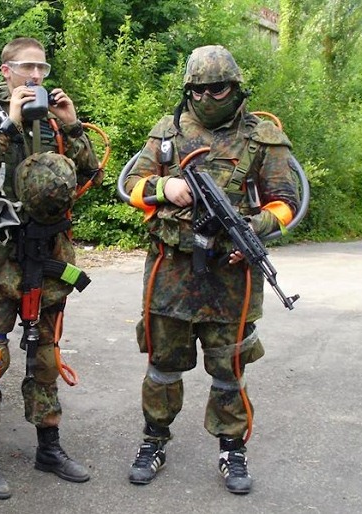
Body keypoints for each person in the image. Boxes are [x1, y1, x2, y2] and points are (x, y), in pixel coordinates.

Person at [123, 45, 299, 494]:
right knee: (162, 365)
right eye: (197, 90)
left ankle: (232, 449)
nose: (206, 97)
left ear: (236, 88)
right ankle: (153, 439)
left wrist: (254, 228)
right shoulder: (167, 133)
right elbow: (131, 185)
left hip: (231, 276)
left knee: (229, 368)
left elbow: (286, 203)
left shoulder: (263, 138)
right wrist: (166, 186)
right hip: (171, 272)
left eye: (217, 88)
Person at [0, 37, 102, 500]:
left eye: (42, 68)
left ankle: (48, 447)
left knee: (45, 357)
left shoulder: (55, 120)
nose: (36, 76)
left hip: (50, 258)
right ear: (6, 70)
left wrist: (72, 125)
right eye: (27, 67)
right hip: (0, 261)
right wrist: (10, 125)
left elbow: (90, 175)